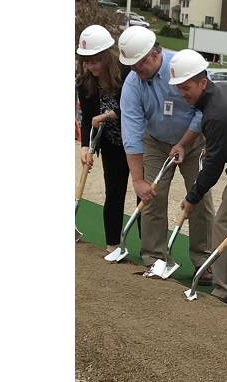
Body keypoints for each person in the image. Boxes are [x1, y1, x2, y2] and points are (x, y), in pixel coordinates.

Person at [118, 26, 215, 282]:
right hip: (155, 141)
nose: (134, 71)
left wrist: (183, 143)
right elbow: (131, 132)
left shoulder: (183, 65)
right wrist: (138, 181)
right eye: (131, 66)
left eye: (138, 65)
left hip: (193, 141)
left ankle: (204, 261)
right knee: (152, 197)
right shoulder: (132, 85)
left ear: (154, 55)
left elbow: (204, 108)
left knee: (201, 200)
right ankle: (155, 258)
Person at [168, 49, 227, 306]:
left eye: (187, 88)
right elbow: (221, 143)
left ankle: (225, 289)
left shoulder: (214, 112)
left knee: (225, 224)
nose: (182, 94)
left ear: (203, 82)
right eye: (179, 89)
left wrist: (193, 196)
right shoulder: (223, 89)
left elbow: (212, 168)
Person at [76, 24, 140, 254]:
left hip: (137, 143)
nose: (90, 66)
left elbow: (133, 109)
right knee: (114, 193)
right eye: (86, 61)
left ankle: (148, 249)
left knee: (142, 192)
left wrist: (106, 115)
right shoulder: (85, 83)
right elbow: (86, 118)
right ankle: (112, 245)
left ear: (106, 56)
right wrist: (85, 146)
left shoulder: (127, 75)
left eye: (95, 60)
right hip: (112, 144)